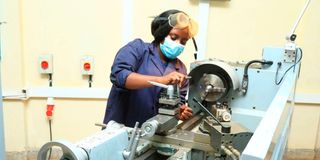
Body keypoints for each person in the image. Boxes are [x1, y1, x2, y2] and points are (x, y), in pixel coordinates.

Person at [103, 9, 198, 128]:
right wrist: (162, 80)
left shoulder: (181, 69)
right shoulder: (138, 49)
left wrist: (178, 111)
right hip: (121, 129)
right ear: (162, 33)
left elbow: (178, 102)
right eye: (174, 38)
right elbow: (120, 76)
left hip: (154, 134)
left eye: (183, 42)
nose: (178, 44)